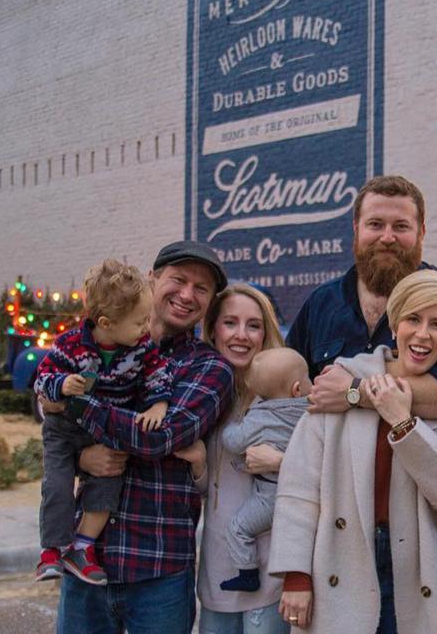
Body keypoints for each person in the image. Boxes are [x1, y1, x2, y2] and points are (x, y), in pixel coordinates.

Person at [285, 175, 437, 634]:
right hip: (335, 527)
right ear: (355, 230)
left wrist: (355, 391)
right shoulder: (321, 304)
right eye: (376, 223)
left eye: (402, 226)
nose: (388, 237)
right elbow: (295, 396)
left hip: (433, 524)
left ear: (421, 233)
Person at [50, 240, 233, 634]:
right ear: (152, 279)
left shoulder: (210, 369)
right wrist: (79, 453)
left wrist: (76, 406)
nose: (187, 295)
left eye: (201, 289)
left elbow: (158, 438)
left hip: (159, 568)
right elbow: (48, 406)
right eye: (178, 280)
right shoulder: (97, 343)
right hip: (86, 558)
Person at [34, 259, 172, 586]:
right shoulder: (70, 346)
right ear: (107, 322)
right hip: (64, 430)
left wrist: (159, 404)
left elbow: (158, 375)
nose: (146, 327)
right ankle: (51, 550)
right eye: (140, 321)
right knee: (57, 485)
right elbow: (42, 381)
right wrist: (62, 384)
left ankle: (82, 547)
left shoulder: (141, 348)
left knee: (109, 480)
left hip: (103, 431)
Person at [189, 282, 291, 634]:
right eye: (230, 322)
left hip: (271, 571)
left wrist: (281, 463)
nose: (242, 335)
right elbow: (205, 489)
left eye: (254, 325)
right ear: (213, 329)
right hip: (218, 569)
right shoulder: (202, 396)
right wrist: (199, 466)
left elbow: (320, 475)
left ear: (266, 333)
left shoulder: (283, 399)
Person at [220, 348, 311, 593]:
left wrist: (229, 425)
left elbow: (233, 442)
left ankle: (247, 573)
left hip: (271, 497)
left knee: (238, 528)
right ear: (297, 389)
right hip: (305, 493)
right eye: (308, 378)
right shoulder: (312, 412)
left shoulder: (260, 418)